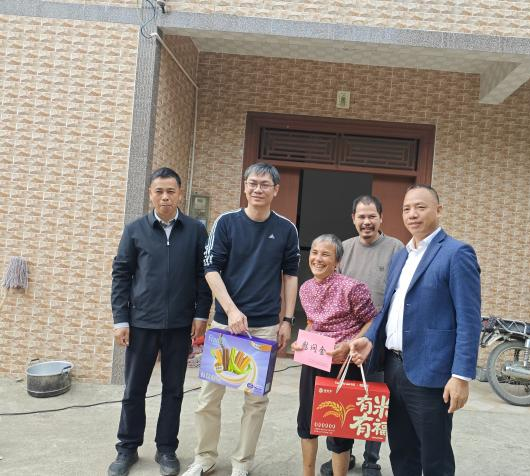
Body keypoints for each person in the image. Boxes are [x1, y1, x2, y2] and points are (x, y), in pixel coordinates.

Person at [350, 185, 481, 476]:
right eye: (407, 209)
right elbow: (389, 309)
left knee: (435, 458)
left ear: (439, 210)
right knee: (402, 453)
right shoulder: (402, 256)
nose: (412, 214)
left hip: (431, 374)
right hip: (394, 369)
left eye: (420, 207)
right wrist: (369, 339)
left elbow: (469, 320)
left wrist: (461, 376)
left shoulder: (456, 253)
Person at [183, 162, 300, 476]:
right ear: (245, 186)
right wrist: (231, 310)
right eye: (252, 183)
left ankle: (242, 463)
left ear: (276, 190)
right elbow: (211, 270)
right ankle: (204, 457)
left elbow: (290, 275)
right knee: (209, 396)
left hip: (265, 326)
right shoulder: (226, 223)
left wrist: (287, 319)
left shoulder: (286, 229)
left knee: (256, 401)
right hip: (225, 324)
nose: (257, 189)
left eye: (265, 184)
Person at [108, 167, 212, 476]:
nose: (165, 197)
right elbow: (121, 275)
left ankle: (166, 449)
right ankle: (127, 448)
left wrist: (200, 314)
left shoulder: (195, 231)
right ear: (150, 194)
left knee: (174, 390)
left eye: (170, 191)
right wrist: (121, 319)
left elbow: (203, 276)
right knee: (133, 390)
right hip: (141, 323)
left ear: (180, 193)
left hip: (180, 324)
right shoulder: (135, 230)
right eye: (159, 191)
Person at [320, 195, 403, 476]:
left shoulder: (395, 248)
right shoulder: (343, 248)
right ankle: (342, 455)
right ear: (353, 218)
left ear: (381, 218)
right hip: (344, 339)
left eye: (372, 216)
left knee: (372, 398)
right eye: (361, 216)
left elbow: (396, 296)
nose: (366, 222)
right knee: (340, 395)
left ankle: (371, 459)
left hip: (377, 338)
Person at [291, 234, 377, 476]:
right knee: (307, 422)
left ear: (337, 261)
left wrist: (349, 344)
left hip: (343, 365)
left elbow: (372, 320)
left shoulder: (352, 288)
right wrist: (303, 341)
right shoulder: (306, 288)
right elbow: (312, 323)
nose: (318, 259)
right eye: (314, 252)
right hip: (313, 360)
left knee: (339, 427)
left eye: (325, 254)